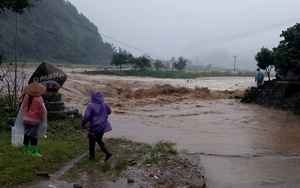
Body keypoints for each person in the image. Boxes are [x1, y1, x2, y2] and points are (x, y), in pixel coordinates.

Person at [14, 82, 48, 157]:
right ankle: (34, 152)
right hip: (34, 121)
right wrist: (43, 119)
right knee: (34, 136)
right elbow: (42, 111)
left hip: (26, 119)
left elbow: (23, 108)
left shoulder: (26, 97)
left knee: (26, 135)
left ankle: (26, 151)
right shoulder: (39, 99)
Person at [81, 91, 112, 162]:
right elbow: (109, 111)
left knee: (91, 142)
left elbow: (86, 116)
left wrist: (82, 124)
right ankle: (107, 152)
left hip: (94, 127)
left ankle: (92, 157)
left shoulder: (91, 106)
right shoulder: (104, 104)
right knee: (99, 140)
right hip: (103, 126)